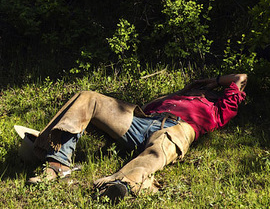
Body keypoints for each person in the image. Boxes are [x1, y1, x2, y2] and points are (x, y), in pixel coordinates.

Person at [20, 73, 248, 202]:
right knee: (88, 97)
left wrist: (216, 82)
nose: (200, 92)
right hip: (142, 121)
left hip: (177, 129)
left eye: (205, 91)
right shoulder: (174, 97)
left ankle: (123, 184)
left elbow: (240, 77)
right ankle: (58, 163)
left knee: (157, 152)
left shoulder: (219, 108)